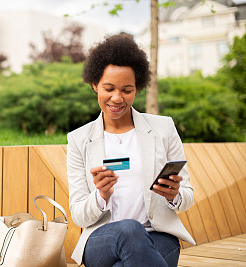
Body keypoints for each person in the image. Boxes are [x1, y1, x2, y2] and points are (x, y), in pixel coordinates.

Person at [67, 33, 195, 267]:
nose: (117, 98)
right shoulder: (79, 140)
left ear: (138, 88)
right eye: (109, 88)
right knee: (129, 229)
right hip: (102, 240)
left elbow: (187, 197)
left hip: (157, 237)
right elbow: (79, 215)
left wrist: (174, 195)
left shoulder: (163, 128)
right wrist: (100, 196)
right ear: (95, 85)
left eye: (127, 90)